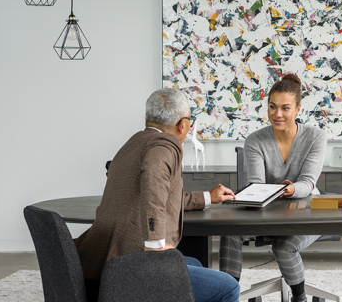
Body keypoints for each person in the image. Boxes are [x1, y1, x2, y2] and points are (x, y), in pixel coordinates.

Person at [74, 88, 239, 302]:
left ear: (146, 120)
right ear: (183, 125)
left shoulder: (134, 143)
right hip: (130, 269)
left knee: (194, 263)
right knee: (229, 288)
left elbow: (159, 192)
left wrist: (208, 197)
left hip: (102, 261)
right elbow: (153, 183)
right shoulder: (165, 146)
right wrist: (155, 244)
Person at [220, 74, 328, 302]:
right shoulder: (255, 140)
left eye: (285, 108)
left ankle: (299, 298)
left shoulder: (316, 137)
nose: (277, 114)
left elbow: (308, 183)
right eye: (272, 107)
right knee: (230, 231)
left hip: (306, 212)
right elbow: (257, 184)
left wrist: (289, 190)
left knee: (283, 246)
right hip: (267, 212)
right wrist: (270, 192)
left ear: (298, 109)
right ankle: (226, 295)